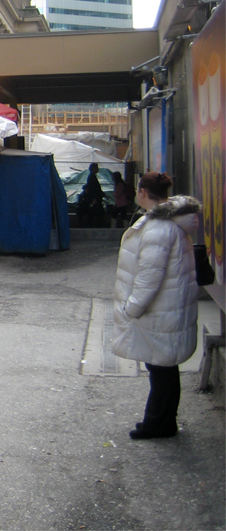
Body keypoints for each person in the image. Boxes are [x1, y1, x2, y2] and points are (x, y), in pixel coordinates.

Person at [111, 172, 200, 440]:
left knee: (161, 370)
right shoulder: (166, 224)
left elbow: (149, 279)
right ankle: (162, 421)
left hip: (160, 312)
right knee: (164, 369)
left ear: (142, 192)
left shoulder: (159, 229)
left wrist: (131, 309)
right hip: (167, 309)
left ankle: (158, 425)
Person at [77, 163, 106, 228]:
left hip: (95, 198)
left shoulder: (91, 177)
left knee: (94, 213)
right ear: (93, 168)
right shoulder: (92, 177)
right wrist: (94, 197)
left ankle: (89, 224)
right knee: (97, 212)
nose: (98, 169)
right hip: (96, 198)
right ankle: (94, 225)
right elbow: (94, 188)